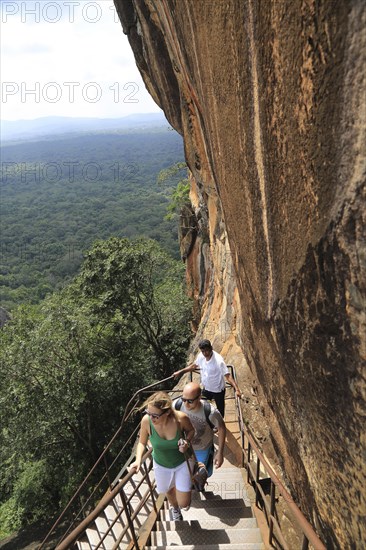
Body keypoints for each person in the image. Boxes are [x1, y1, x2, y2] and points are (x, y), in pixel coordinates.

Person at [129, 391, 195, 521]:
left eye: (155, 415)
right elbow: (142, 442)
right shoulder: (147, 421)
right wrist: (138, 460)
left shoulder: (180, 418)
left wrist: (186, 441)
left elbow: (191, 431)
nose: (151, 418)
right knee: (169, 491)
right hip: (161, 465)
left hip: (182, 462)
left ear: (167, 413)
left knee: (184, 503)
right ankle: (175, 509)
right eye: (148, 413)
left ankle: (182, 495)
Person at [173, 339, 241, 417]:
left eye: (207, 351)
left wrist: (237, 390)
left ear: (211, 348)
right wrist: (180, 372)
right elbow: (193, 366)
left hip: (218, 390)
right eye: (203, 351)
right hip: (207, 389)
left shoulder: (218, 361)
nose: (205, 353)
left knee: (220, 411)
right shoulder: (201, 356)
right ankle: (206, 421)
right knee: (200, 404)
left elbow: (227, 375)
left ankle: (220, 425)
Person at [174, 382, 226, 476]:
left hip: (202, 449)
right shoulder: (177, 406)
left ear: (199, 397)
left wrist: (220, 453)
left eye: (190, 401)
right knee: (184, 475)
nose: (186, 404)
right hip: (183, 447)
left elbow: (221, 428)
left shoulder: (210, 412)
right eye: (184, 399)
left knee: (199, 475)